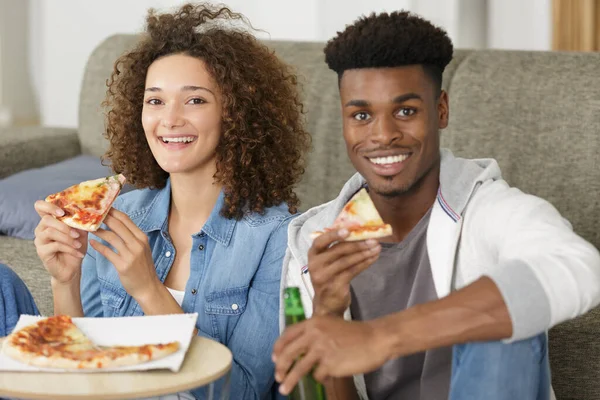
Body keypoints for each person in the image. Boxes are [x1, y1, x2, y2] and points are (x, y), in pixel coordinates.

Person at [272, 10, 600, 400]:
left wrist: (380, 337)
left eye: (406, 111)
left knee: (499, 331)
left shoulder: (486, 209)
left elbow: (579, 268)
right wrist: (327, 314)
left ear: (441, 110)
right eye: (362, 115)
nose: (384, 135)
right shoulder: (315, 242)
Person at [28, 3, 309, 399]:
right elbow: (82, 369)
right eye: (155, 101)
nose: (169, 119)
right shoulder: (119, 213)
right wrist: (65, 280)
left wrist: (149, 289)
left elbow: (243, 392)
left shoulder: (277, 239)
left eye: (194, 100)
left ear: (235, 115)